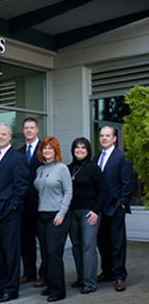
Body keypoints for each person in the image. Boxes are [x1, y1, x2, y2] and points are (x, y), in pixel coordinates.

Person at [0, 123, 29, 303]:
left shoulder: (17, 157)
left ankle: (12, 289)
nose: (0, 137)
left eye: (4, 134)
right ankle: (2, 284)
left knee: (11, 253)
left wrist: (13, 207)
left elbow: (22, 185)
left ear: (10, 136)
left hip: (9, 213)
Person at [93, 126, 134, 292]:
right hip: (100, 208)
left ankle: (119, 276)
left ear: (114, 138)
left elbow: (128, 182)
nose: (104, 138)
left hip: (116, 206)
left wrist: (123, 202)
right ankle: (107, 271)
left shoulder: (122, 157)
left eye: (107, 136)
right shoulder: (96, 158)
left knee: (117, 243)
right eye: (102, 136)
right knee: (102, 241)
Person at [34, 136, 72, 302]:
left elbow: (68, 192)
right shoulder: (40, 170)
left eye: (50, 148)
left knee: (53, 253)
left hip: (56, 216)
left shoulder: (62, 168)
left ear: (56, 151)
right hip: (41, 216)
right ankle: (50, 285)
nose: (47, 151)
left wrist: (61, 214)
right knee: (45, 254)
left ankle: (58, 291)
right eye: (44, 148)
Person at [68, 137, 107, 294]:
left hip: (88, 213)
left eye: (83, 147)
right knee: (76, 246)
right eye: (77, 147)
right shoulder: (68, 168)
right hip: (72, 213)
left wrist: (96, 211)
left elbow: (103, 191)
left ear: (88, 150)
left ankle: (90, 283)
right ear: (73, 150)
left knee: (88, 247)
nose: (79, 150)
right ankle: (81, 278)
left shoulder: (93, 168)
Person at [17, 118, 44, 287]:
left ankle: (44, 275)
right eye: (26, 128)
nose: (28, 131)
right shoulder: (18, 152)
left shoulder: (45, 149)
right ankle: (29, 273)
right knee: (26, 242)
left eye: (31, 128)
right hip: (23, 205)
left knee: (44, 242)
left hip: (42, 204)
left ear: (37, 130)